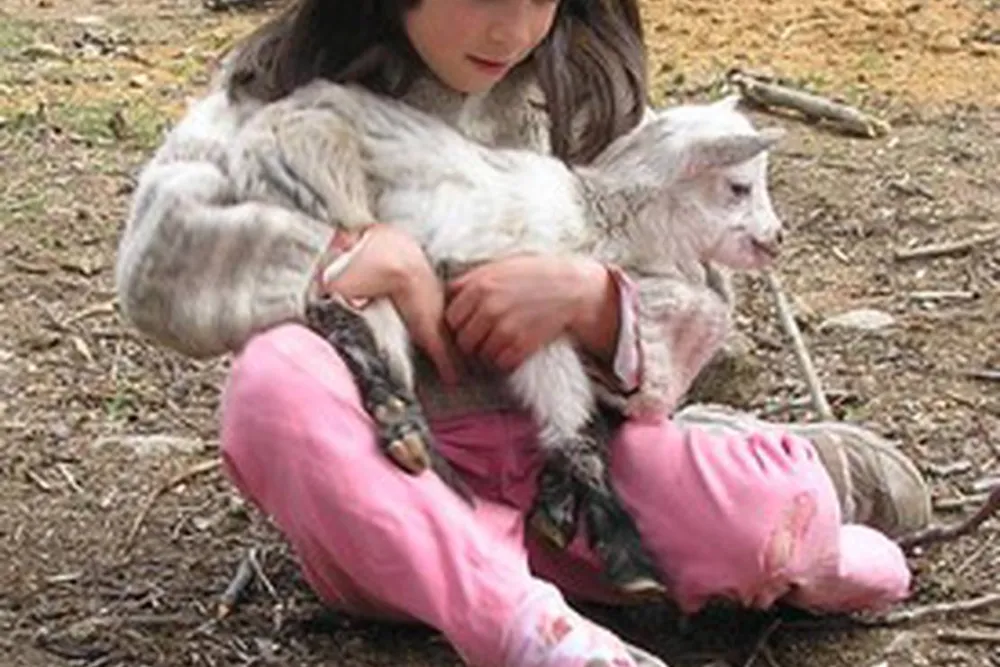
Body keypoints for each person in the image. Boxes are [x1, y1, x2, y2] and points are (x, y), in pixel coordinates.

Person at [114, 2, 933, 666]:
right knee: (273, 381)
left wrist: (590, 299)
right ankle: (515, 624)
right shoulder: (280, 88)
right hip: (391, 493)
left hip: (573, 484)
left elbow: (702, 299)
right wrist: (350, 258)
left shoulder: (580, 91)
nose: (512, 31)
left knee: (757, 507)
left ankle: (800, 507)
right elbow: (158, 258)